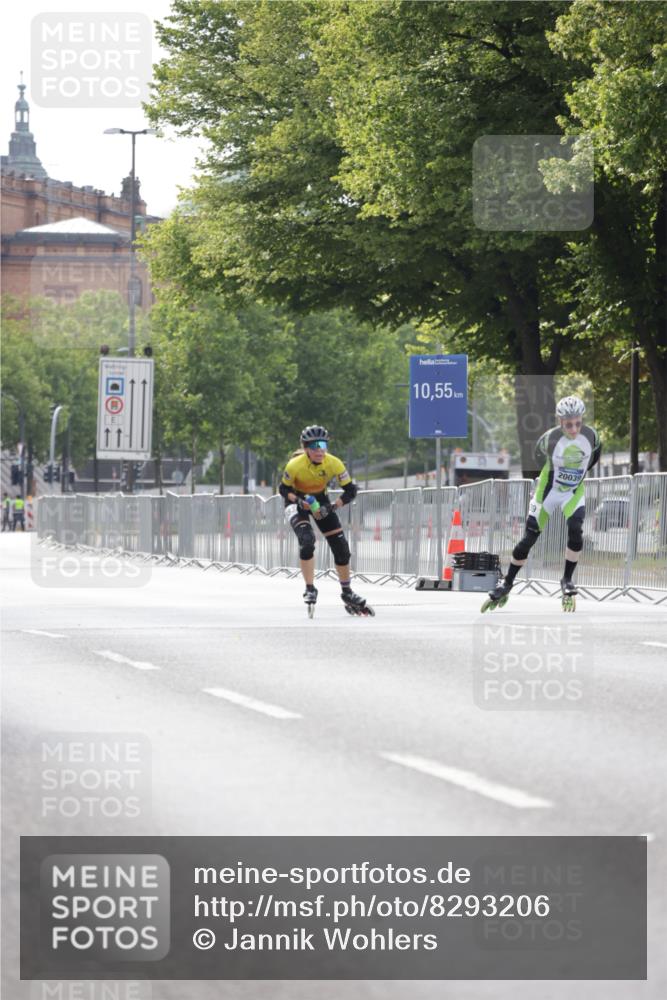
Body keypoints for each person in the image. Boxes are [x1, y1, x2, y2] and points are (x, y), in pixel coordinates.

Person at [484, 396, 601, 610]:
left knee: (576, 528)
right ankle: (507, 583)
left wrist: (573, 477)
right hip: (548, 491)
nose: (574, 429)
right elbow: (538, 460)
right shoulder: (549, 440)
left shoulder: (592, 437)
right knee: (529, 538)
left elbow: (593, 460)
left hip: (573, 491)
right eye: (568, 424)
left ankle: (566, 579)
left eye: (577, 423)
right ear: (559, 421)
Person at [279, 425, 373, 615]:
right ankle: (310, 588)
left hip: (320, 501)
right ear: (306, 448)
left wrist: (333, 506)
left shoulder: (334, 463)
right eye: (314, 446)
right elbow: (283, 490)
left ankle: (347, 592)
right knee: (307, 541)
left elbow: (351, 490)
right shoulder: (294, 465)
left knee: (341, 547)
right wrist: (298, 501)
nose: (320, 450)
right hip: (296, 501)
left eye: (323, 444)